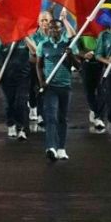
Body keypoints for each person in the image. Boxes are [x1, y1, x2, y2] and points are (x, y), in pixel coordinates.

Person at [36, 18, 75, 161]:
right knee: (51, 116)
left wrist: (70, 55)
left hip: (65, 86)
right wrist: (41, 81)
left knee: (62, 118)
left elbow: (78, 66)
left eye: (56, 28)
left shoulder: (68, 45)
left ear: (61, 29)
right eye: (51, 28)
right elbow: (39, 65)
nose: (53, 30)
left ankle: (61, 148)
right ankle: (51, 147)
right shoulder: (43, 45)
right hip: (50, 87)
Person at [0, 36, 32, 140]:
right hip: (7, 77)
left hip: (23, 76)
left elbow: (35, 51)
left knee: (21, 101)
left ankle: (22, 127)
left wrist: (25, 37)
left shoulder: (26, 38)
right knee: (9, 103)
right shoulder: (3, 39)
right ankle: (11, 124)